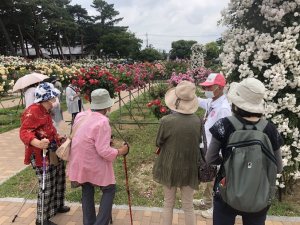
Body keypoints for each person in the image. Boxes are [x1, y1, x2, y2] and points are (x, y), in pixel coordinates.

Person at [206, 78, 283, 225]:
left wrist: (225, 160)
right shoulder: (270, 129)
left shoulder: (223, 125)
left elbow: (210, 158)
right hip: (258, 194)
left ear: (236, 103)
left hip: (225, 188)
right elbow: (278, 168)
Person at [67, 89, 129, 225]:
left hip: (78, 162)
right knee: (109, 189)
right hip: (93, 164)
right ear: (107, 106)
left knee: (87, 188)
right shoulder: (102, 122)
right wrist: (120, 151)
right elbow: (103, 151)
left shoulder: (81, 115)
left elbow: (86, 137)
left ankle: (88, 222)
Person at [19, 82, 70, 225]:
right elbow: (24, 132)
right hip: (41, 155)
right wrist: (37, 143)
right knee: (46, 186)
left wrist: (57, 138)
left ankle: (57, 205)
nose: (56, 100)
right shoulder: (32, 111)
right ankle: (41, 219)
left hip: (53, 150)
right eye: (54, 97)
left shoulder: (45, 111)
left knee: (58, 179)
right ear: (47, 98)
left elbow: (47, 129)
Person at [152, 81, 202, 225]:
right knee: (188, 205)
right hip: (190, 166)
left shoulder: (166, 120)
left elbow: (158, 142)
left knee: (168, 203)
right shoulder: (198, 121)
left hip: (169, 165)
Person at [193, 73, 232, 219]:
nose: (206, 89)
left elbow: (224, 134)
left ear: (219, 88)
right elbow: (202, 102)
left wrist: (220, 155)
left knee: (215, 179)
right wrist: (189, 96)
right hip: (206, 146)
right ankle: (207, 201)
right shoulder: (212, 100)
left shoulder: (223, 108)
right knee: (209, 177)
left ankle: (214, 208)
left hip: (215, 149)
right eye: (206, 86)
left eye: (209, 86)